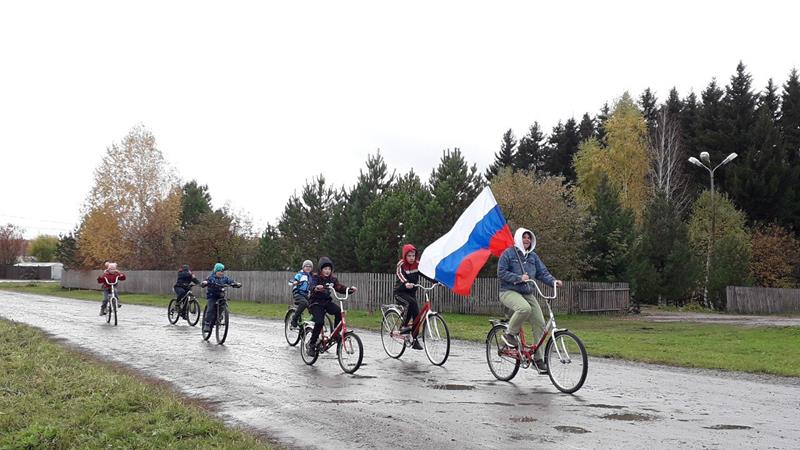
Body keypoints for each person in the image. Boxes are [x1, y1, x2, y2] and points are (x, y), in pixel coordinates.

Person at [497, 227, 563, 373]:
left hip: (527, 293)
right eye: (524, 237)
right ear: (518, 238)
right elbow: (501, 273)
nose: (527, 240)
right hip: (508, 291)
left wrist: (553, 281)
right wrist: (518, 278)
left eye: (529, 237)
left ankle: (538, 360)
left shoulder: (533, 257)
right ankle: (509, 334)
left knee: (540, 323)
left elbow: (542, 273)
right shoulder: (508, 254)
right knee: (524, 308)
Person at [305, 256, 356, 356]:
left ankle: (335, 334)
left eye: (329, 269)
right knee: (319, 322)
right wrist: (316, 288)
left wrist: (349, 289)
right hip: (315, 303)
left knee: (339, 312)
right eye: (325, 269)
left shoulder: (333, 279)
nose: (327, 271)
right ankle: (311, 344)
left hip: (326, 302)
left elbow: (339, 287)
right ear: (321, 269)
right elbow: (311, 285)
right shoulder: (316, 277)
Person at [394, 244, 428, 350]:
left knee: (417, 315)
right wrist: (406, 283)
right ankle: (403, 326)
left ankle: (414, 340)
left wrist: (436, 281)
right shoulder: (401, 264)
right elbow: (400, 274)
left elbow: (426, 274)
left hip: (411, 294)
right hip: (400, 292)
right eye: (409, 256)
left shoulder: (417, 264)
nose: (412, 258)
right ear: (405, 256)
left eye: (413, 255)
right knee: (410, 304)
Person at [201, 263, 241, 333]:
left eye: (223, 272)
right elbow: (206, 281)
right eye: (220, 271)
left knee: (222, 306)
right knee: (210, 308)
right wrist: (205, 283)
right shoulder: (211, 277)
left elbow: (230, 281)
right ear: (216, 271)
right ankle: (207, 323)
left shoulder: (225, 278)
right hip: (212, 295)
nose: (221, 273)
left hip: (221, 295)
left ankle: (218, 317)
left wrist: (236, 284)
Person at [289, 260, 313, 329]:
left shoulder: (311, 277)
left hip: (306, 294)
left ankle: (311, 322)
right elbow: (291, 281)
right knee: (304, 303)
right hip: (298, 293)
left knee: (313, 305)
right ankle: (294, 319)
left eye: (310, 266)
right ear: (303, 267)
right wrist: (295, 282)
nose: (308, 268)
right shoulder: (300, 274)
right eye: (306, 266)